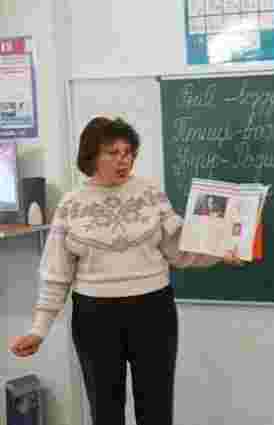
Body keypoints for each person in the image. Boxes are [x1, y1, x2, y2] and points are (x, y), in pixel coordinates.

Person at [8, 117, 243, 425]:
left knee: (156, 408)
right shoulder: (70, 205)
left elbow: (179, 249)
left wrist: (220, 251)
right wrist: (38, 330)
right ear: (92, 156)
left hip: (153, 311)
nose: (124, 160)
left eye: (129, 152)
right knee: (105, 409)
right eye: (113, 153)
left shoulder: (150, 194)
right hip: (95, 317)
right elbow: (56, 275)